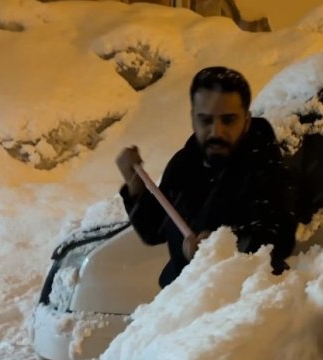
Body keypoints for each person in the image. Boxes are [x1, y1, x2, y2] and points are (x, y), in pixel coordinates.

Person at [115, 66, 297, 287]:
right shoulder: (184, 164)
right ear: (193, 119)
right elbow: (155, 231)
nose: (216, 131)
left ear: (247, 120)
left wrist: (222, 246)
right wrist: (135, 184)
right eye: (205, 120)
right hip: (185, 296)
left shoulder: (264, 165)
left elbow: (279, 237)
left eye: (228, 120)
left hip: (246, 297)